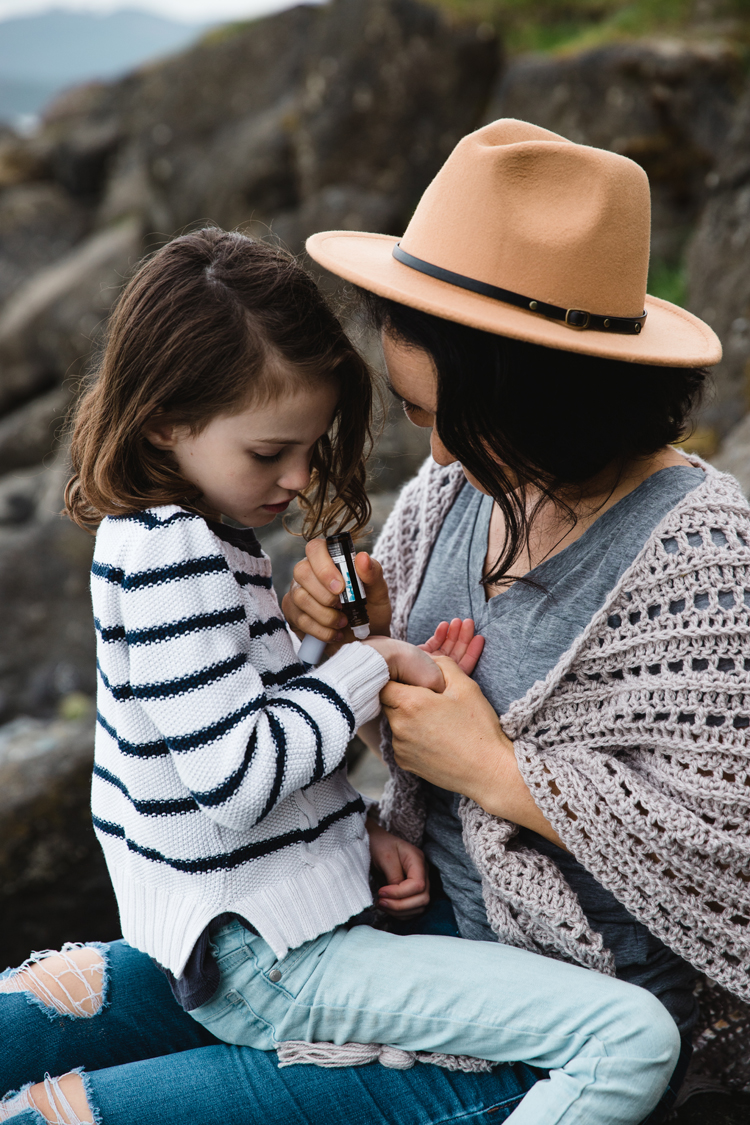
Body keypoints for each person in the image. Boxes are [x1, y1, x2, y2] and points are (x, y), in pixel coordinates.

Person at [0, 221, 681, 1125]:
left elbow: (242, 739)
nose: (297, 478)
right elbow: (236, 773)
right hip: (273, 951)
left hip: (269, 927)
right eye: (268, 453)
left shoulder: (193, 538)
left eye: (310, 449)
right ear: (165, 418)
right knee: (632, 1039)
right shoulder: (178, 551)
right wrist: (371, 660)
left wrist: (350, 830)